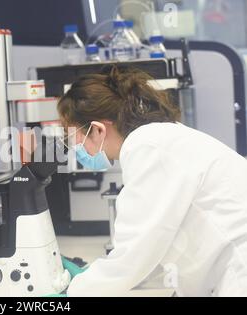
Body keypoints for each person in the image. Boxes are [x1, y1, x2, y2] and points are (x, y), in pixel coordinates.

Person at [57, 67, 247, 297]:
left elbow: (136, 251)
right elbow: (162, 243)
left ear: (97, 130)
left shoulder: (147, 147)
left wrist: (72, 293)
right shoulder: (160, 138)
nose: (74, 148)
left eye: (72, 136)